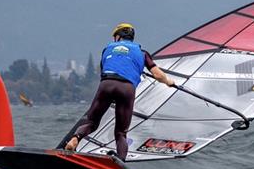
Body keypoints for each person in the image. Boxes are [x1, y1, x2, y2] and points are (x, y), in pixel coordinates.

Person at [64, 23, 174, 159]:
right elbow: (158, 75)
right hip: (127, 89)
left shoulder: (107, 49)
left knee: (92, 123)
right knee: (121, 133)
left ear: (117, 37)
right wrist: (169, 82)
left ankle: (75, 139)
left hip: (107, 84)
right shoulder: (142, 53)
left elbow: (104, 69)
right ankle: (120, 163)